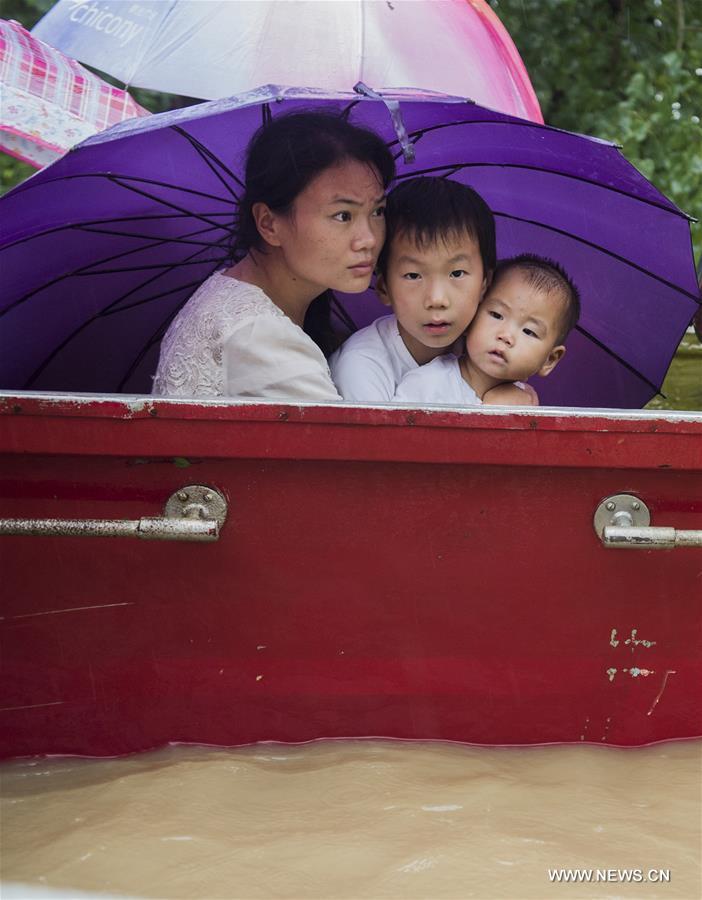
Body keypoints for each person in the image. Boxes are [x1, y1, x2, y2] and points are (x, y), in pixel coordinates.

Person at [152, 111, 395, 400]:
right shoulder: (262, 339)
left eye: (378, 211)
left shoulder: (234, 293)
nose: (368, 238)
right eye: (343, 215)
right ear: (268, 223)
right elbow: (347, 445)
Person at [329, 176, 496, 401]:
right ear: (384, 288)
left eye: (457, 273)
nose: (437, 299)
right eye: (413, 275)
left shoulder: (492, 350)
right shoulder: (362, 367)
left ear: (485, 282)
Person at [394, 254, 580, 406]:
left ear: (550, 359)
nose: (506, 336)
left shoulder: (527, 405)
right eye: (496, 315)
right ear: (471, 316)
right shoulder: (425, 385)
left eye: (529, 331)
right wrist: (488, 414)